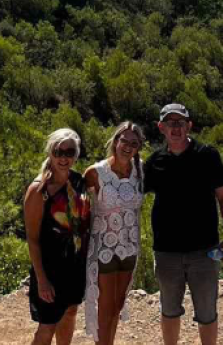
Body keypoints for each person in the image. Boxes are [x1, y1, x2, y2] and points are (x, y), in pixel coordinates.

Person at [143, 103, 223, 345]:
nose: (176, 128)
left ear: (189, 126)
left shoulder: (207, 156)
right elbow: (131, 195)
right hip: (166, 251)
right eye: (170, 123)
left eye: (180, 122)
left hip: (204, 251)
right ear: (161, 127)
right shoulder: (154, 162)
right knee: (169, 310)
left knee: (206, 312)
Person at [83, 122, 147, 344]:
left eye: (134, 143)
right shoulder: (95, 173)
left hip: (129, 247)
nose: (128, 147)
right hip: (104, 248)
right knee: (106, 308)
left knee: (117, 307)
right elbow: (75, 203)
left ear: (138, 147)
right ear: (116, 141)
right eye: (124, 141)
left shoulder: (140, 171)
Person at [23, 128, 88, 345]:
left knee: (70, 313)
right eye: (58, 151)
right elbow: (32, 238)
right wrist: (41, 280)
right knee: (47, 324)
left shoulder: (79, 182)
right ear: (50, 152)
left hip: (75, 265)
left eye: (69, 152)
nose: (63, 157)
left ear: (75, 155)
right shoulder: (39, 190)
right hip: (50, 268)